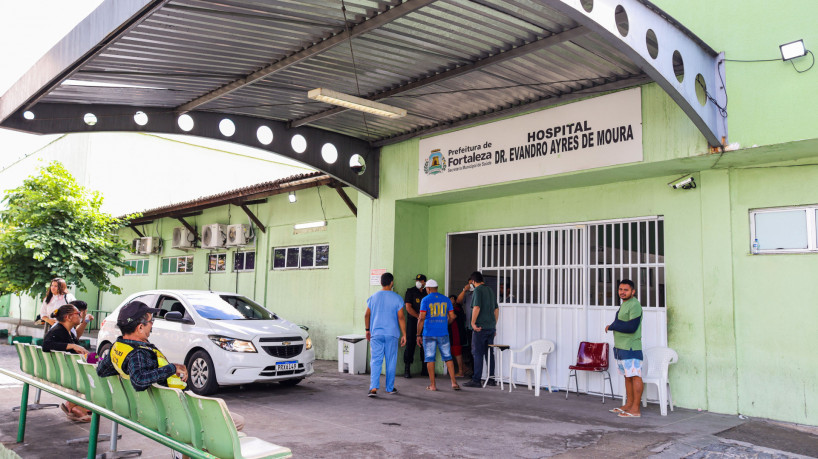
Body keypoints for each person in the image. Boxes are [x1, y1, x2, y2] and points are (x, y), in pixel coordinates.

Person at [97, 300, 245, 430]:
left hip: (149, 409)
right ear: (140, 327)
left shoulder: (117, 348)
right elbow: (139, 380)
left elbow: (101, 371)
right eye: (150, 321)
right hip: (172, 413)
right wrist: (172, 368)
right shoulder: (138, 354)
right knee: (237, 421)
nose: (152, 325)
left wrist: (124, 371)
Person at [42, 304, 91, 422]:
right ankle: (73, 405)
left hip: (67, 370)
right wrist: (72, 345)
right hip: (66, 373)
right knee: (95, 376)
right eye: (78, 313)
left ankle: (74, 406)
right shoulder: (58, 330)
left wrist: (97, 359)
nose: (80, 315)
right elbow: (46, 345)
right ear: (68, 317)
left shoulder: (66, 331)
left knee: (97, 365)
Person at [605, 279, 644, 418]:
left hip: (631, 347)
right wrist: (613, 325)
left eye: (626, 290)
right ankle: (628, 405)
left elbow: (631, 327)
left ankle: (635, 409)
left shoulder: (634, 305)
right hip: (621, 347)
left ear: (633, 291)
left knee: (635, 376)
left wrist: (612, 326)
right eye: (620, 289)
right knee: (628, 377)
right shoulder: (625, 304)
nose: (622, 292)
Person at [365, 272, 407, 397]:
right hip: (391, 334)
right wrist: (404, 334)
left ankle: (373, 388)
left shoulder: (373, 297)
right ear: (392, 282)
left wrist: (367, 330)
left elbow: (366, 315)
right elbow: (401, 318)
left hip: (376, 334)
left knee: (376, 361)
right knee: (391, 361)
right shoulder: (397, 298)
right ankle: (389, 388)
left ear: (381, 282)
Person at [417, 280, 460, 391]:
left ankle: (433, 385)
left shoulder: (425, 300)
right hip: (443, 333)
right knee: (448, 357)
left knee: (430, 359)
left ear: (428, 289)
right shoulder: (446, 299)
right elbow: (452, 316)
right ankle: (454, 383)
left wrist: (418, 334)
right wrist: (446, 323)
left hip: (429, 333)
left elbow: (421, 318)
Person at [463, 271, 499, 388]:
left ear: (473, 281)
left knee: (477, 353)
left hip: (480, 328)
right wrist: (493, 324)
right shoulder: (490, 290)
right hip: (490, 328)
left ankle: (476, 380)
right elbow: (496, 310)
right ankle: (491, 379)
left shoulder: (478, 291)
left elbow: (476, 307)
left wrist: (472, 323)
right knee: (490, 354)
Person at [403, 274, 428, 378]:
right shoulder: (411, 291)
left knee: (425, 344)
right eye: (417, 280)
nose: (418, 282)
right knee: (410, 344)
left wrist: (422, 318)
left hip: (425, 322)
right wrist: (419, 317)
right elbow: (408, 307)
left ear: (424, 282)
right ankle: (407, 369)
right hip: (413, 322)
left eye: (420, 280)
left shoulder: (428, 292)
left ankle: (425, 369)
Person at [448, 295, 467, 377]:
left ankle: (460, 371)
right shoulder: (455, 309)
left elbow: (451, 318)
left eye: (453, 299)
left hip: (457, 334)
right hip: (454, 333)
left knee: (457, 352)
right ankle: (464, 368)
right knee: (455, 351)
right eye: (450, 299)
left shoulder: (457, 309)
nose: (451, 300)